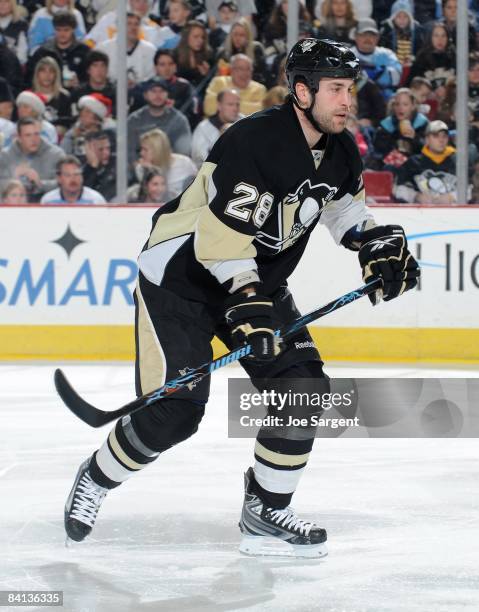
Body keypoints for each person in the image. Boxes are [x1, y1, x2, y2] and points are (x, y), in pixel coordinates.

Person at [64, 38, 419, 556]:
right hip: (181, 283)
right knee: (177, 412)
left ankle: (266, 509)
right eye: (336, 89)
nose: (348, 101)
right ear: (302, 91)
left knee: (304, 388)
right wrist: (248, 299)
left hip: (254, 283)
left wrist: (371, 242)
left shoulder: (340, 146)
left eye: (351, 90)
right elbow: (218, 239)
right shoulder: (253, 141)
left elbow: (342, 210)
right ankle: (96, 477)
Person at [127, 76, 192, 165]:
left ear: (167, 94)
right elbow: (129, 153)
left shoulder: (179, 120)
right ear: (145, 95)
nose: (158, 95)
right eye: (153, 91)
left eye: (162, 91)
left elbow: (183, 153)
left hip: (172, 168)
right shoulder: (134, 120)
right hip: (141, 169)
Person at [394, 119, 461, 203]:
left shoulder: (458, 162)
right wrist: (416, 196)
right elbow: (398, 189)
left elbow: (470, 189)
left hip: (453, 213)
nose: (441, 140)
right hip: (419, 213)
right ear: (427, 139)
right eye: (436, 136)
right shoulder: (413, 162)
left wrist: (453, 197)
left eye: (444, 136)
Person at [0, 117, 65, 202]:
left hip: (46, 205)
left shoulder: (56, 154)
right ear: (18, 137)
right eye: (28, 135)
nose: (33, 139)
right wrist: (13, 178)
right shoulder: (4, 155)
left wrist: (40, 183)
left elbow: (66, 183)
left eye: (36, 134)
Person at [25, 12, 90, 90]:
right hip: (48, 95)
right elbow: (29, 77)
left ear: (73, 30)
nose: (62, 34)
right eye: (58, 30)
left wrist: (80, 84)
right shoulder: (43, 51)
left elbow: (92, 78)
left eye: (66, 30)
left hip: (77, 95)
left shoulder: (84, 51)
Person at [370, 87, 429, 170]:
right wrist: (397, 134)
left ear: (412, 106)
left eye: (405, 104)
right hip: (392, 163)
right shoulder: (386, 124)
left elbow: (429, 148)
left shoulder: (422, 123)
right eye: (397, 104)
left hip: (416, 163)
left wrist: (414, 137)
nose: (400, 108)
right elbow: (379, 149)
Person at [133, 127, 197, 197]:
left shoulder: (185, 163)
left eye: (145, 150)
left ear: (157, 150)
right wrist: (150, 170)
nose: (141, 153)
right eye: (141, 149)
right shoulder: (142, 168)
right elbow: (154, 195)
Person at [97, 13, 156, 87]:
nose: (133, 27)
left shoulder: (150, 50)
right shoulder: (104, 49)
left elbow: (152, 78)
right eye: (129, 24)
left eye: (136, 24)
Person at [351, 17, 402, 100]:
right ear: (356, 36)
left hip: (384, 99)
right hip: (354, 99)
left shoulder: (387, 54)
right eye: (364, 35)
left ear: (377, 37)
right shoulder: (347, 55)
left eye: (371, 35)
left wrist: (379, 71)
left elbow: (397, 77)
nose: (367, 39)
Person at [191, 87, 241, 167]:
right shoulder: (203, 129)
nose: (235, 109)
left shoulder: (246, 122)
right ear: (219, 106)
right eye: (230, 104)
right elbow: (200, 161)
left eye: (237, 104)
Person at [216, 17, 268, 85]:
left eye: (241, 35)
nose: (237, 38)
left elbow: (262, 76)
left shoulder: (256, 49)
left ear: (248, 36)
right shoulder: (223, 53)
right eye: (235, 34)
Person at [41, 155, 106, 204]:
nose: (73, 179)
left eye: (76, 174)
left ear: (82, 177)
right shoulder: (48, 201)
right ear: (59, 178)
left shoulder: (96, 200)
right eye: (67, 175)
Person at [83, 130, 116, 202]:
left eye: (108, 148)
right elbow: (84, 196)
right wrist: (93, 166)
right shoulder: (82, 170)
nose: (106, 153)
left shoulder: (116, 166)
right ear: (89, 150)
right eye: (100, 149)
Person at [0, 0, 28, 66]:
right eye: (0, 1)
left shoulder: (21, 24)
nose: (2, 5)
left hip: (12, 68)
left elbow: (22, 56)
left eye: (6, 1)